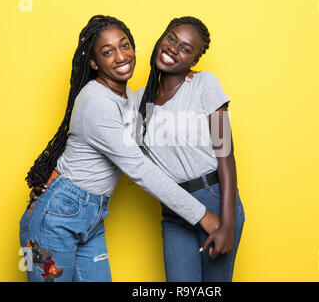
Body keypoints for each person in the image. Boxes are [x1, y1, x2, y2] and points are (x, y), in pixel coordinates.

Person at [20, 15, 219, 282]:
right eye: (107, 52)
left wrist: (185, 78)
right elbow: (139, 167)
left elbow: (157, 107)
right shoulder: (95, 102)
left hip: (91, 215)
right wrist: (203, 216)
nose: (120, 56)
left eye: (125, 46)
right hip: (57, 215)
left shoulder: (127, 99)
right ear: (94, 63)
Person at [134, 16, 245, 282]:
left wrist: (227, 225)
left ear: (194, 60)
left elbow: (226, 157)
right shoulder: (138, 100)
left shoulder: (204, 84)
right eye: (171, 38)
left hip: (215, 200)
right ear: (162, 38)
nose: (173, 48)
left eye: (185, 48)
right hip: (174, 210)